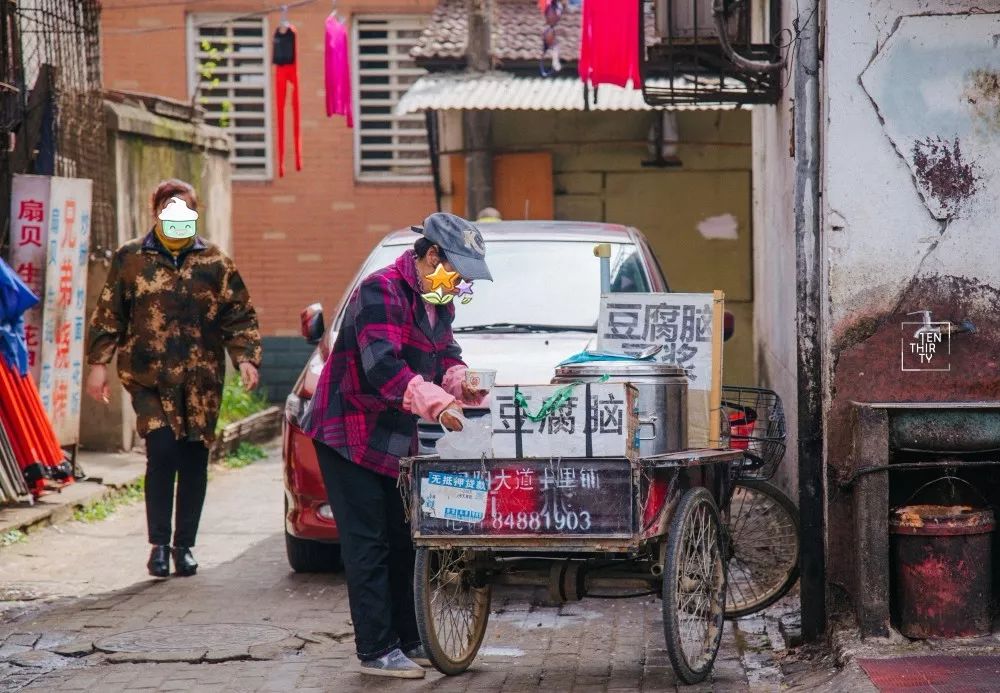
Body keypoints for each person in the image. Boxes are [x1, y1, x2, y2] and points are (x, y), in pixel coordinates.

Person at [303, 212, 492, 679]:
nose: (460, 287)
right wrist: (437, 404)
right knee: (368, 543)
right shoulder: (381, 290)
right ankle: (376, 650)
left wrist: (460, 382)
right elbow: (383, 369)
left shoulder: (438, 298)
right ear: (431, 257)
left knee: (405, 538)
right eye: (459, 274)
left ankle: (410, 640)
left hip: (393, 435)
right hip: (348, 431)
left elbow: (446, 355)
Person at [85, 179, 262, 579]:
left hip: (201, 381)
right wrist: (99, 363)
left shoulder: (215, 262)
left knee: (194, 460)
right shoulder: (131, 257)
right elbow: (109, 311)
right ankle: (159, 546)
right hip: (149, 377)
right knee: (162, 452)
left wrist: (246, 359)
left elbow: (239, 314)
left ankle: (184, 546)